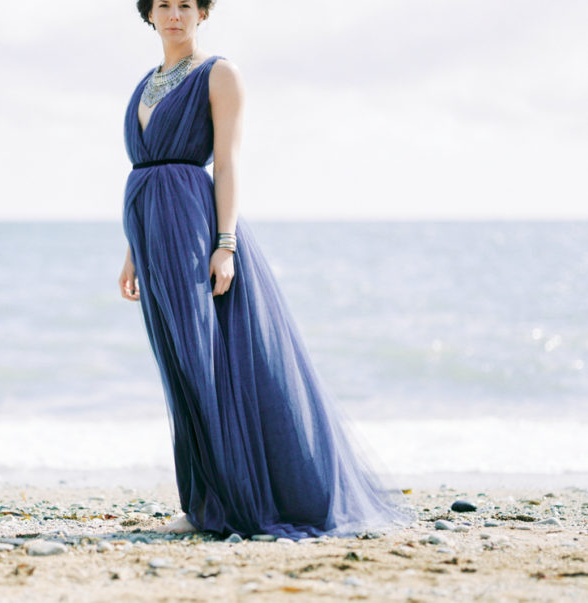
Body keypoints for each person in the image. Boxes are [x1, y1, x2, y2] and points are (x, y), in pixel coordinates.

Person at [118, 0, 416, 538]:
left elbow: (227, 162)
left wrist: (225, 243)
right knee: (179, 370)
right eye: (164, 4)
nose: (175, 14)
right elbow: (147, 170)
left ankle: (237, 500)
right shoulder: (145, 83)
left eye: (187, 4)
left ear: (203, 13)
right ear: (149, 14)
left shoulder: (220, 74)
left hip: (195, 229)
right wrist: (131, 251)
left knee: (209, 364)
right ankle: (203, 499)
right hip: (150, 231)